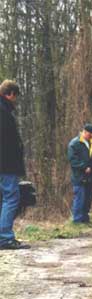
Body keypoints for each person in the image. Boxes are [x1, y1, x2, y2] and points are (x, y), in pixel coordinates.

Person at [0, 79, 30, 250]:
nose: (15, 100)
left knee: (4, 199)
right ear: (9, 94)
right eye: (15, 96)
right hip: (6, 164)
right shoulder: (3, 112)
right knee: (11, 198)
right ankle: (5, 238)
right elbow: (7, 142)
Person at [68, 123, 92, 223]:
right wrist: (84, 167)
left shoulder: (91, 144)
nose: (91, 137)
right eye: (90, 135)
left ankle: (85, 220)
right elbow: (73, 160)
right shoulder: (74, 143)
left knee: (88, 199)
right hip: (79, 176)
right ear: (85, 132)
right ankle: (77, 221)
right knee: (79, 199)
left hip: (90, 177)